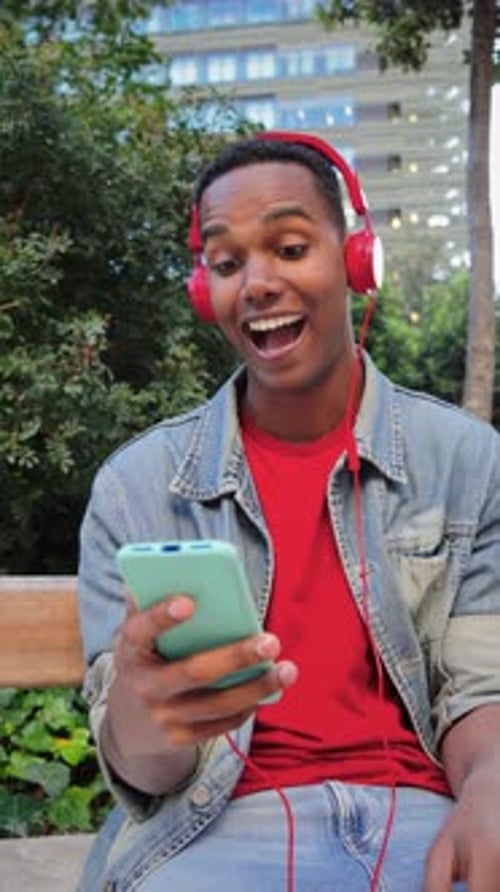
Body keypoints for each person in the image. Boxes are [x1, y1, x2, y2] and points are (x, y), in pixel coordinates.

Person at [77, 131, 500, 892]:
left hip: (427, 812)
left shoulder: (468, 460)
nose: (258, 283)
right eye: (227, 263)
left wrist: (492, 789)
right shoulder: (133, 488)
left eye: (291, 246)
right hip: (213, 826)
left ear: (356, 259)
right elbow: (145, 770)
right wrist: (143, 717)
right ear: (205, 292)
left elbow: (482, 688)